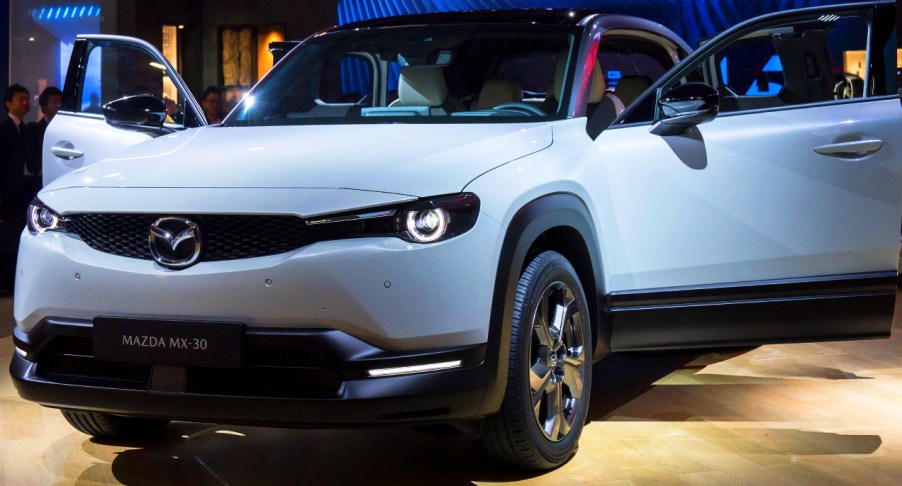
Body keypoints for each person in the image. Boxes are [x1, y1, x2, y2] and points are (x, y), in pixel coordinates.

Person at [1, 84, 38, 226]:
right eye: (20, 99)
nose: (25, 103)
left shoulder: (27, 128)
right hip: (10, 187)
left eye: (27, 99)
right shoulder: (3, 127)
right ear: (8, 104)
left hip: (27, 185)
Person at [27, 86, 63, 188]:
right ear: (44, 107)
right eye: (54, 103)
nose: (59, 106)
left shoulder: (70, 130)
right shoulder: (34, 130)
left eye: (61, 102)